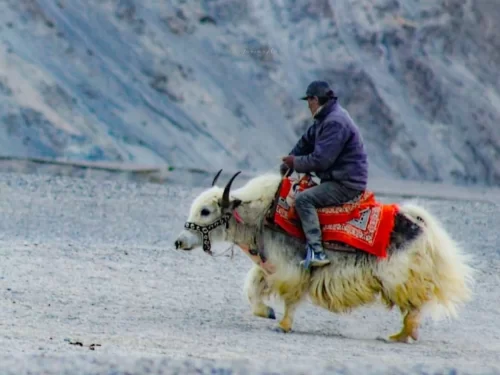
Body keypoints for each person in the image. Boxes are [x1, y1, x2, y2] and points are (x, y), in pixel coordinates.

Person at [280, 80, 369, 268]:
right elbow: (306, 141)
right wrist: (291, 157)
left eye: (309, 101)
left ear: (315, 99)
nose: (308, 106)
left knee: (304, 200)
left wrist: (294, 163)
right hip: (338, 177)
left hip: (345, 182)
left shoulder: (335, 122)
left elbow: (321, 160)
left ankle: (316, 252)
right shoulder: (325, 118)